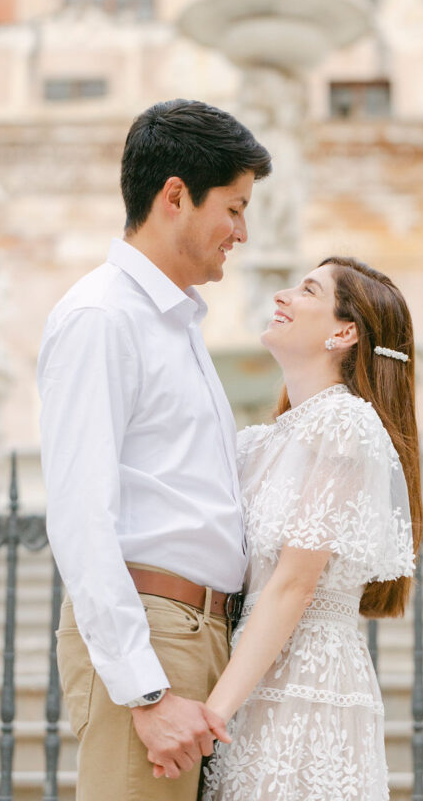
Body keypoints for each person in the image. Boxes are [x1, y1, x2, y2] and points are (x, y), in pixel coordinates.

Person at [37, 99, 271, 801]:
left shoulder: (173, 323)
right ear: (175, 196)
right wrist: (144, 689)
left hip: (200, 633)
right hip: (155, 635)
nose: (242, 232)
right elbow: (80, 514)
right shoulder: (103, 317)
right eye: (232, 208)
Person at [194, 256, 423, 801]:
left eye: (307, 290)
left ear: (344, 332)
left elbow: (294, 583)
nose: (283, 295)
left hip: (307, 685)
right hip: (250, 675)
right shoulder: (262, 442)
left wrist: (212, 715)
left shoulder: (345, 425)